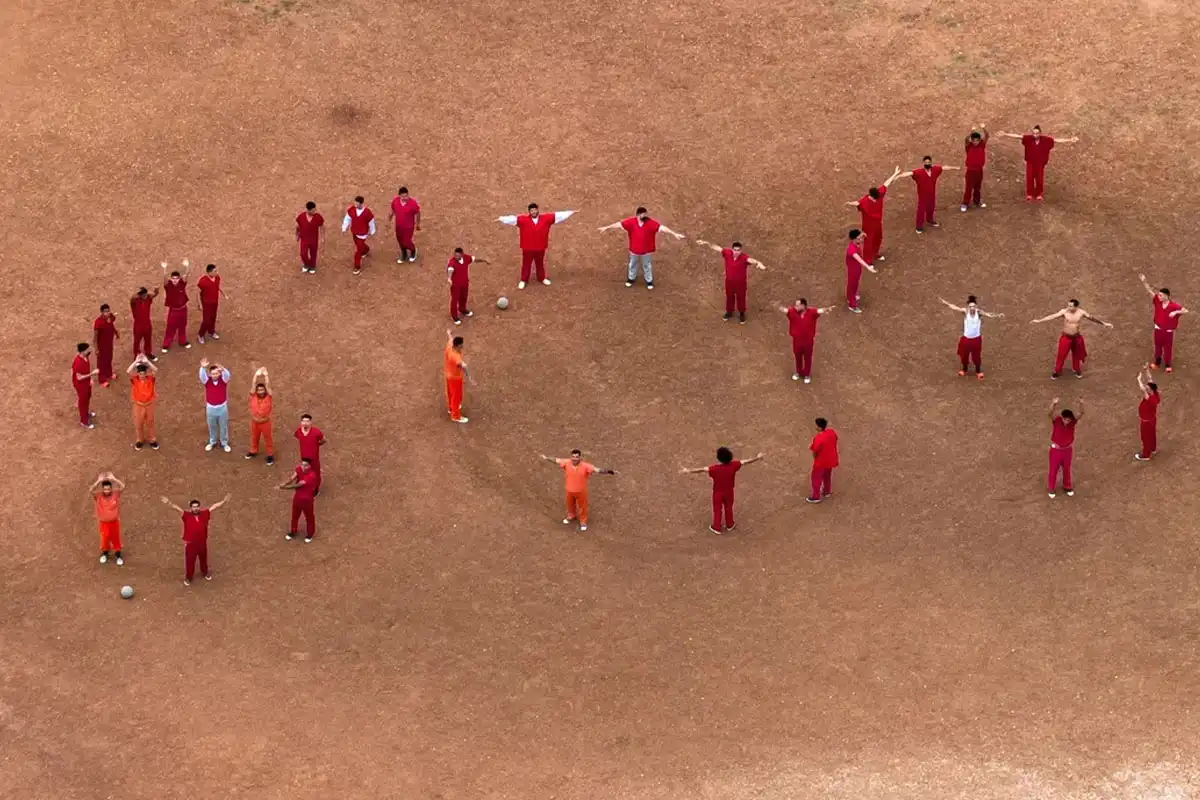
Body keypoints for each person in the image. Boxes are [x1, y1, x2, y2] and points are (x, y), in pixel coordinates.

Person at [680, 448, 765, 534]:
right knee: (728, 508)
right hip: (729, 492)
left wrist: (688, 471)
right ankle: (730, 524)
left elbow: (702, 470)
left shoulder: (714, 469)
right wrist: (757, 458)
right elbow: (745, 462)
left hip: (718, 493)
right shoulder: (733, 465)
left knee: (717, 509)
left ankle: (716, 527)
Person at [597, 207, 686, 289]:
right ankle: (631, 278)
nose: (645, 216)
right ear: (638, 215)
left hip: (646, 251)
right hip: (634, 250)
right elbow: (619, 224)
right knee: (633, 264)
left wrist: (674, 234)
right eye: (643, 214)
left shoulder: (650, 223)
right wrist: (607, 228)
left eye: (645, 214)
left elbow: (662, 228)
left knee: (647, 265)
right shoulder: (631, 222)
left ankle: (649, 281)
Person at [496, 203, 577, 288]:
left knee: (540, 263)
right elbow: (512, 219)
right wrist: (501, 219)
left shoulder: (546, 219)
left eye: (535, 210)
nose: (533, 212)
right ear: (529, 212)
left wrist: (570, 212)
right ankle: (523, 280)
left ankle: (541, 278)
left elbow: (558, 215)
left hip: (540, 247)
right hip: (527, 248)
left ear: (538, 210)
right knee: (526, 264)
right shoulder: (523, 220)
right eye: (531, 211)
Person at [1031, 300, 1114, 379]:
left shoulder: (1081, 312)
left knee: (1076, 355)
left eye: (1070, 306)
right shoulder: (1064, 311)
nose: (1068, 307)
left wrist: (1104, 324)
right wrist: (1039, 320)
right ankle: (1057, 371)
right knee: (1061, 355)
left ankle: (1076, 369)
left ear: (1076, 307)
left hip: (1076, 338)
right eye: (1068, 305)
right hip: (1066, 338)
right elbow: (1053, 316)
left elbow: (1092, 318)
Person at [539, 450, 618, 532]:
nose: (574, 459)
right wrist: (546, 458)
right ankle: (571, 516)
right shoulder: (566, 462)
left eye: (577, 457)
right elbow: (556, 460)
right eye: (573, 457)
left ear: (580, 457)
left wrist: (610, 471)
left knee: (582, 507)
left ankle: (583, 521)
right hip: (569, 490)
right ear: (571, 457)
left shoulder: (586, 466)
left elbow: (597, 470)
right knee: (570, 504)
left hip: (581, 491)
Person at [161, 494, 231, 586]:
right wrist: (169, 503)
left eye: (197, 507)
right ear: (191, 508)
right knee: (190, 562)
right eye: (194, 507)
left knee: (203, 560)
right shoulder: (186, 515)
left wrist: (223, 501)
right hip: (191, 544)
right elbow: (177, 509)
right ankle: (189, 578)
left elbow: (214, 506)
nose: (196, 508)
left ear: (199, 507)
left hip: (202, 543)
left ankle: (205, 573)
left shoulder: (204, 514)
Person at [996, 126, 1080, 201]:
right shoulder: (1028, 139)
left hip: (1040, 163)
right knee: (1029, 178)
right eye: (1034, 133)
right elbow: (1018, 136)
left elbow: (1056, 140)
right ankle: (1029, 194)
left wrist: (1069, 140)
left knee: (1039, 179)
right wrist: (1005, 134)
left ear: (1040, 133)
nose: (1035, 135)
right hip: (1030, 162)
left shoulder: (1045, 140)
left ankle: (1038, 194)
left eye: (1037, 133)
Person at [693, 239, 768, 323]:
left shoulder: (744, 257)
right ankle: (729, 312)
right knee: (729, 297)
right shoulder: (727, 253)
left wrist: (758, 262)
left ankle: (742, 313)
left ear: (741, 251)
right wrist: (707, 243)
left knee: (741, 298)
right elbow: (718, 248)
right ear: (732, 249)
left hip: (741, 284)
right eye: (735, 250)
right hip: (729, 282)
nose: (736, 252)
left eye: (738, 250)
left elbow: (751, 260)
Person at [844, 166, 903, 263]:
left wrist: (895, 173)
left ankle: (875, 254)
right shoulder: (865, 201)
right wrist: (850, 203)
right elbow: (857, 203)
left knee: (878, 238)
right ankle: (867, 260)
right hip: (868, 227)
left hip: (877, 224)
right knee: (868, 243)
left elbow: (886, 183)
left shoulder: (878, 195)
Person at [939, 296, 1004, 378]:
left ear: (976, 306)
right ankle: (964, 369)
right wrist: (946, 303)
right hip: (966, 339)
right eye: (970, 307)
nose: (972, 308)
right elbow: (955, 307)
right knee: (964, 356)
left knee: (976, 356)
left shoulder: (979, 312)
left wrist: (998, 315)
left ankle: (978, 371)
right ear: (968, 307)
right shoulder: (965, 312)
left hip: (976, 339)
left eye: (973, 306)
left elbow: (989, 315)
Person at [1138, 274, 1188, 372]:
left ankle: (1168, 365)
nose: (1158, 296)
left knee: (1168, 348)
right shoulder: (1158, 301)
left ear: (1166, 296)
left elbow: (1185, 310)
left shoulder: (1174, 306)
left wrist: (1176, 312)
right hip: (1158, 330)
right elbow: (1149, 292)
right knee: (1158, 346)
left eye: (1161, 295)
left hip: (1168, 332)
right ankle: (1157, 362)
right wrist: (1144, 282)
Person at [898, 157, 962, 233]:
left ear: (931, 162)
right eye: (926, 162)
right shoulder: (919, 172)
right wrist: (898, 176)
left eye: (929, 162)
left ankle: (930, 220)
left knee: (931, 207)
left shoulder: (935, 170)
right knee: (921, 210)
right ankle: (919, 226)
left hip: (932, 194)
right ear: (923, 163)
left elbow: (944, 167)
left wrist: (955, 168)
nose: (927, 164)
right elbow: (909, 173)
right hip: (923, 196)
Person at [777, 299, 834, 383]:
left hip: (808, 341)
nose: (795, 307)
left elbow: (820, 310)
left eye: (797, 305)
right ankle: (798, 372)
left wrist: (828, 309)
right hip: (797, 341)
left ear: (803, 306)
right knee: (798, 357)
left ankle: (807, 374)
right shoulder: (792, 312)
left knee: (808, 358)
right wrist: (778, 306)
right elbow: (784, 310)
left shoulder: (812, 312)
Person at [1047, 396, 1083, 498]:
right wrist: (1053, 404)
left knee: (1067, 469)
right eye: (1065, 419)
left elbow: (1081, 414)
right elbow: (1049, 414)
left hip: (1067, 450)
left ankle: (1067, 486)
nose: (1067, 421)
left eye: (1068, 420)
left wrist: (1081, 404)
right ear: (1062, 417)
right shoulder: (1057, 421)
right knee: (1053, 469)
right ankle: (1051, 488)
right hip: (1056, 450)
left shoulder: (1072, 423)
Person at [89, 472, 126, 565]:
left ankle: (118, 555)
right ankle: (104, 554)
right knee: (104, 539)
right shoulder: (98, 496)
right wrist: (98, 481)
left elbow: (123, 486)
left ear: (111, 489)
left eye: (108, 489)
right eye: (105, 489)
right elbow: (90, 490)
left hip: (114, 522)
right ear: (103, 489)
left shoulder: (115, 494)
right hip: (103, 523)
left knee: (115, 539)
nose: (107, 491)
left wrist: (114, 479)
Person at [279, 458, 318, 541]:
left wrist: (284, 487)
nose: (303, 467)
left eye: (306, 465)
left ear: (310, 466)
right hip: (297, 498)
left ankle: (310, 534)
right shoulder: (299, 469)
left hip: (307, 500)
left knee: (309, 517)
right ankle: (293, 531)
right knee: (294, 516)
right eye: (302, 464)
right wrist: (284, 483)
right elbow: (292, 478)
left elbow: (299, 484)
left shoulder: (312, 475)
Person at [447, 248, 489, 325]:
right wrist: (449, 278)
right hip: (455, 285)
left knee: (464, 297)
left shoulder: (466, 258)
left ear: (462, 254)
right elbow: (450, 270)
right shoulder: (452, 262)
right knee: (455, 300)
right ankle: (454, 316)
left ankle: (462, 309)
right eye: (455, 255)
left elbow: (474, 259)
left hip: (465, 283)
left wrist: (484, 260)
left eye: (458, 255)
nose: (456, 257)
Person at [126, 354, 160, 450]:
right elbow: (128, 371)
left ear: (145, 373)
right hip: (138, 406)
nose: (141, 375)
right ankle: (139, 440)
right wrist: (135, 362)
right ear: (138, 374)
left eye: (143, 373)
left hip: (149, 405)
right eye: (140, 374)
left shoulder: (150, 379)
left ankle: (152, 440)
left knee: (150, 422)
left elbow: (155, 370)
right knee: (138, 423)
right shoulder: (135, 380)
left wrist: (147, 362)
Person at [199, 358, 232, 452]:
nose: (215, 375)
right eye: (213, 373)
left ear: (220, 373)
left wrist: (223, 369)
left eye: (217, 373)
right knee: (211, 426)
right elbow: (202, 376)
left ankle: (224, 443)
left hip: (222, 408)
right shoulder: (207, 381)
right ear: (210, 374)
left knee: (223, 426)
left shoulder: (223, 380)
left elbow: (227, 375)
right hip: (210, 409)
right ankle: (212, 442)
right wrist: (202, 367)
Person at [160, 259, 192, 352]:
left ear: (179, 278)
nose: (175, 280)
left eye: (176, 278)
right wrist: (165, 269)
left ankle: (183, 341)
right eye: (173, 278)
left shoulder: (182, 283)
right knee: (171, 326)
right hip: (173, 310)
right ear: (171, 278)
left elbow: (186, 275)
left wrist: (187, 266)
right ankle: (166, 344)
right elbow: (165, 279)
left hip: (183, 309)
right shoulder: (168, 285)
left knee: (183, 325)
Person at [844, 229, 878, 314]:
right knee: (853, 285)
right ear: (853, 239)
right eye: (859, 238)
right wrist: (868, 267)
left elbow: (862, 235)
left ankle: (850, 296)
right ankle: (852, 305)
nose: (861, 240)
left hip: (857, 268)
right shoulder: (851, 250)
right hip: (853, 269)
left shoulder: (856, 243)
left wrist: (863, 234)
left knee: (854, 284)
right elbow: (859, 260)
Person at [246, 367, 275, 465]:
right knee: (254, 437)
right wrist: (256, 375)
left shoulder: (269, 397)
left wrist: (266, 375)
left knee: (268, 439)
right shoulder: (253, 396)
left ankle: (270, 455)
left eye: (262, 390)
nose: (261, 391)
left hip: (265, 422)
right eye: (259, 390)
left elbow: (268, 385)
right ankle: (253, 451)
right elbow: (253, 385)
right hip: (255, 422)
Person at [341, 196, 376, 275]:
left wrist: (372, 231)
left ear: (361, 204)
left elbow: (371, 222)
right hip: (354, 232)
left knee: (358, 252)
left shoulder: (367, 212)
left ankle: (357, 266)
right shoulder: (352, 210)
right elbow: (347, 218)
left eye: (357, 203)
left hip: (362, 234)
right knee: (359, 245)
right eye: (355, 203)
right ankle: (366, 250)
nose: (355, 205)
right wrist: (344, 227)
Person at [806, 419, 839, 504]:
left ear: (819, 427)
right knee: (827, 476)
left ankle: (816, 497)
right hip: (831, 459)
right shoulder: (831, 432)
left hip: (821, 462)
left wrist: (816, 458)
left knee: (816, 479)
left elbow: (815, 451)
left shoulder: (818, 438)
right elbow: (835, 439)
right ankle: (827, 491)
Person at [443, 331, 473, 423]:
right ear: (457, 346)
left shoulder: (450, 345)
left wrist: (449, 334)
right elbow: (464, 366)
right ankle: (455, 416)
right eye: (461, 346)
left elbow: (450, 338)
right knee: (457, 396)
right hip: (455, 378)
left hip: (448, 375)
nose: (462, 347)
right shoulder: (455, 357)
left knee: (450, 393)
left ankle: (451, 408)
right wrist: (470, 377)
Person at [196, 263, 229, 344]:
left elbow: (218, 287)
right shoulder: (203, 281)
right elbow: (197, 293)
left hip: (215, 302)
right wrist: (199, 304)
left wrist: (224, 294)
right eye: (215, 271)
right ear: (209, 272)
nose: (217, 272)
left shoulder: (217, 278)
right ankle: (200, 335)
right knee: (206, 320)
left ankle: (211, 332)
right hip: (206, 304)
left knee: (213, 318)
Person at [388, 186, 422, 263]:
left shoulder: (412, 203)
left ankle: (413, 251)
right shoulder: (395, 202)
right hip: (398, 226)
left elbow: (418, 212)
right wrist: (389, 221)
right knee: (400, 240)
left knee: (406, 241)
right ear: (399, 196)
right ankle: (404, 254)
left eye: (406, 195)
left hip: (409, 227)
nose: (405, 198)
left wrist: (418, 224)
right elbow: (392, 211)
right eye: (403, 196)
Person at [294, 413, 326, 494]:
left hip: (314, 457)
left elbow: (323, 440)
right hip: (304, 457)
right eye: (303, 421)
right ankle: (304, 485)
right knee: (304, 470)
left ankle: (315, 488)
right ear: (301, 422)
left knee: (315, 472)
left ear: (310, 422)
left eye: (307, 421)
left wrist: (317, 445)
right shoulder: (298, 431)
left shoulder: (316, 432)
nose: (305, 423)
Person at [961, 123, 989, 211]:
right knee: (968, 188)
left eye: (977, 140)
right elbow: (966, 139)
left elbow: (987, 136)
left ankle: (977, 201)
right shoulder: (968, 146)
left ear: (979, 140)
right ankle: (965, 203)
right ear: (972, 140)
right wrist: (972, 131)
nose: (976, 142)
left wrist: (984, 128)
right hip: (970, 171)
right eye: (974, 140)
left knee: (978, 187)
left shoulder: (982, 145)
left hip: (979, 170)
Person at [1135, 364, 1160, 462]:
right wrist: (1146, 370)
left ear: (1150, 390)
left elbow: (1143, 389)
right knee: (1152, 435)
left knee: (1145, 438)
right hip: (1152, 419)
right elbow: (1150, 379)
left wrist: (1139, 379)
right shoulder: (1155, 394)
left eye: (1147, 388)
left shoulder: (1149, 398)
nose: (1146, 386)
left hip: (1146, 422)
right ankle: (1153, 448)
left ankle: (1146, 455)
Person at [71, 342, 99, 429]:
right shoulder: (78, 363)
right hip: (81, 385)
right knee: (83, 402)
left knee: (87, 398)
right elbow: (79, 378)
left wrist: (89, 379)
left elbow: (86, 370)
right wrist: (92, 374)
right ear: (83, 351)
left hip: (86, 383)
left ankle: (86, 414)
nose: (89, 350)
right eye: (87, 349)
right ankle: (84, 421)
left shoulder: (86, 357)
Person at [129, 285, 160, 361]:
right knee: (137, 341)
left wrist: (156, 290)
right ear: (139, 295)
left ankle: (148, 352)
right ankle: (136, 355)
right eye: (143, 295)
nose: (144, 296)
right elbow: (132, 298)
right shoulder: (135, 301)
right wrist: (139, 293)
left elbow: (155, 294)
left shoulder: (148, 298)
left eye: (145, 294)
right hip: (138, 325)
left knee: (148, 339)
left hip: (147, 324)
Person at [92, 304, 120, 387]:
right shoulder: (98, 322)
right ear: (101, 312)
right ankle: (102, 379)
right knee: (101, 363)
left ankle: (109, 374)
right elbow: (95, 338)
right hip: (102, 346)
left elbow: (111, 325)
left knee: (109, 359)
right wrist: (96, 349)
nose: (107, 313)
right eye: (105, 312)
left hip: (109, 344)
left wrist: (116, 332)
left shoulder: (110, 318)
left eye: (108, 311)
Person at [296, 201, 325, 274]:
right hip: (304, 239)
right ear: (308, 210)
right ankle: (306, 264)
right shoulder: (301, 217)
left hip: (314, 239)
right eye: (313, 210)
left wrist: (322, 237)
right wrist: (297, 235)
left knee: (313, 253)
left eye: (315, 210)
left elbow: (322, 226)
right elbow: (297, 226)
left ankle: (312, 266)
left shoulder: (318, 217)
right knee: (303, 253)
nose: (314, 211)